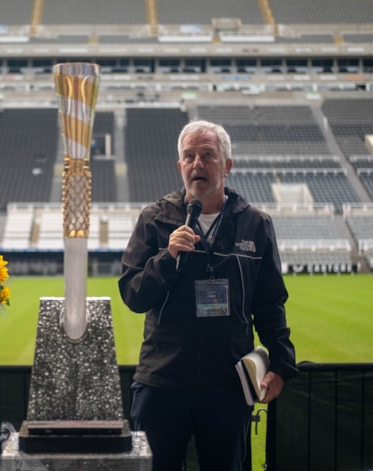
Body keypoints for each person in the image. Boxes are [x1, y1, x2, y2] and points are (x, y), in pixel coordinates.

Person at [118, 120, 297, 471]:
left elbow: (269, 302)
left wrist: (280, 363)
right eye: (189, 156)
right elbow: (133, 295)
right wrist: (166, 258)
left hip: (227, 385)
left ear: (227, 165)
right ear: (180, 167)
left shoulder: (256, 225)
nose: (197, 163)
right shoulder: (154, 220)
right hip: (162, 382)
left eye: (207, 155)